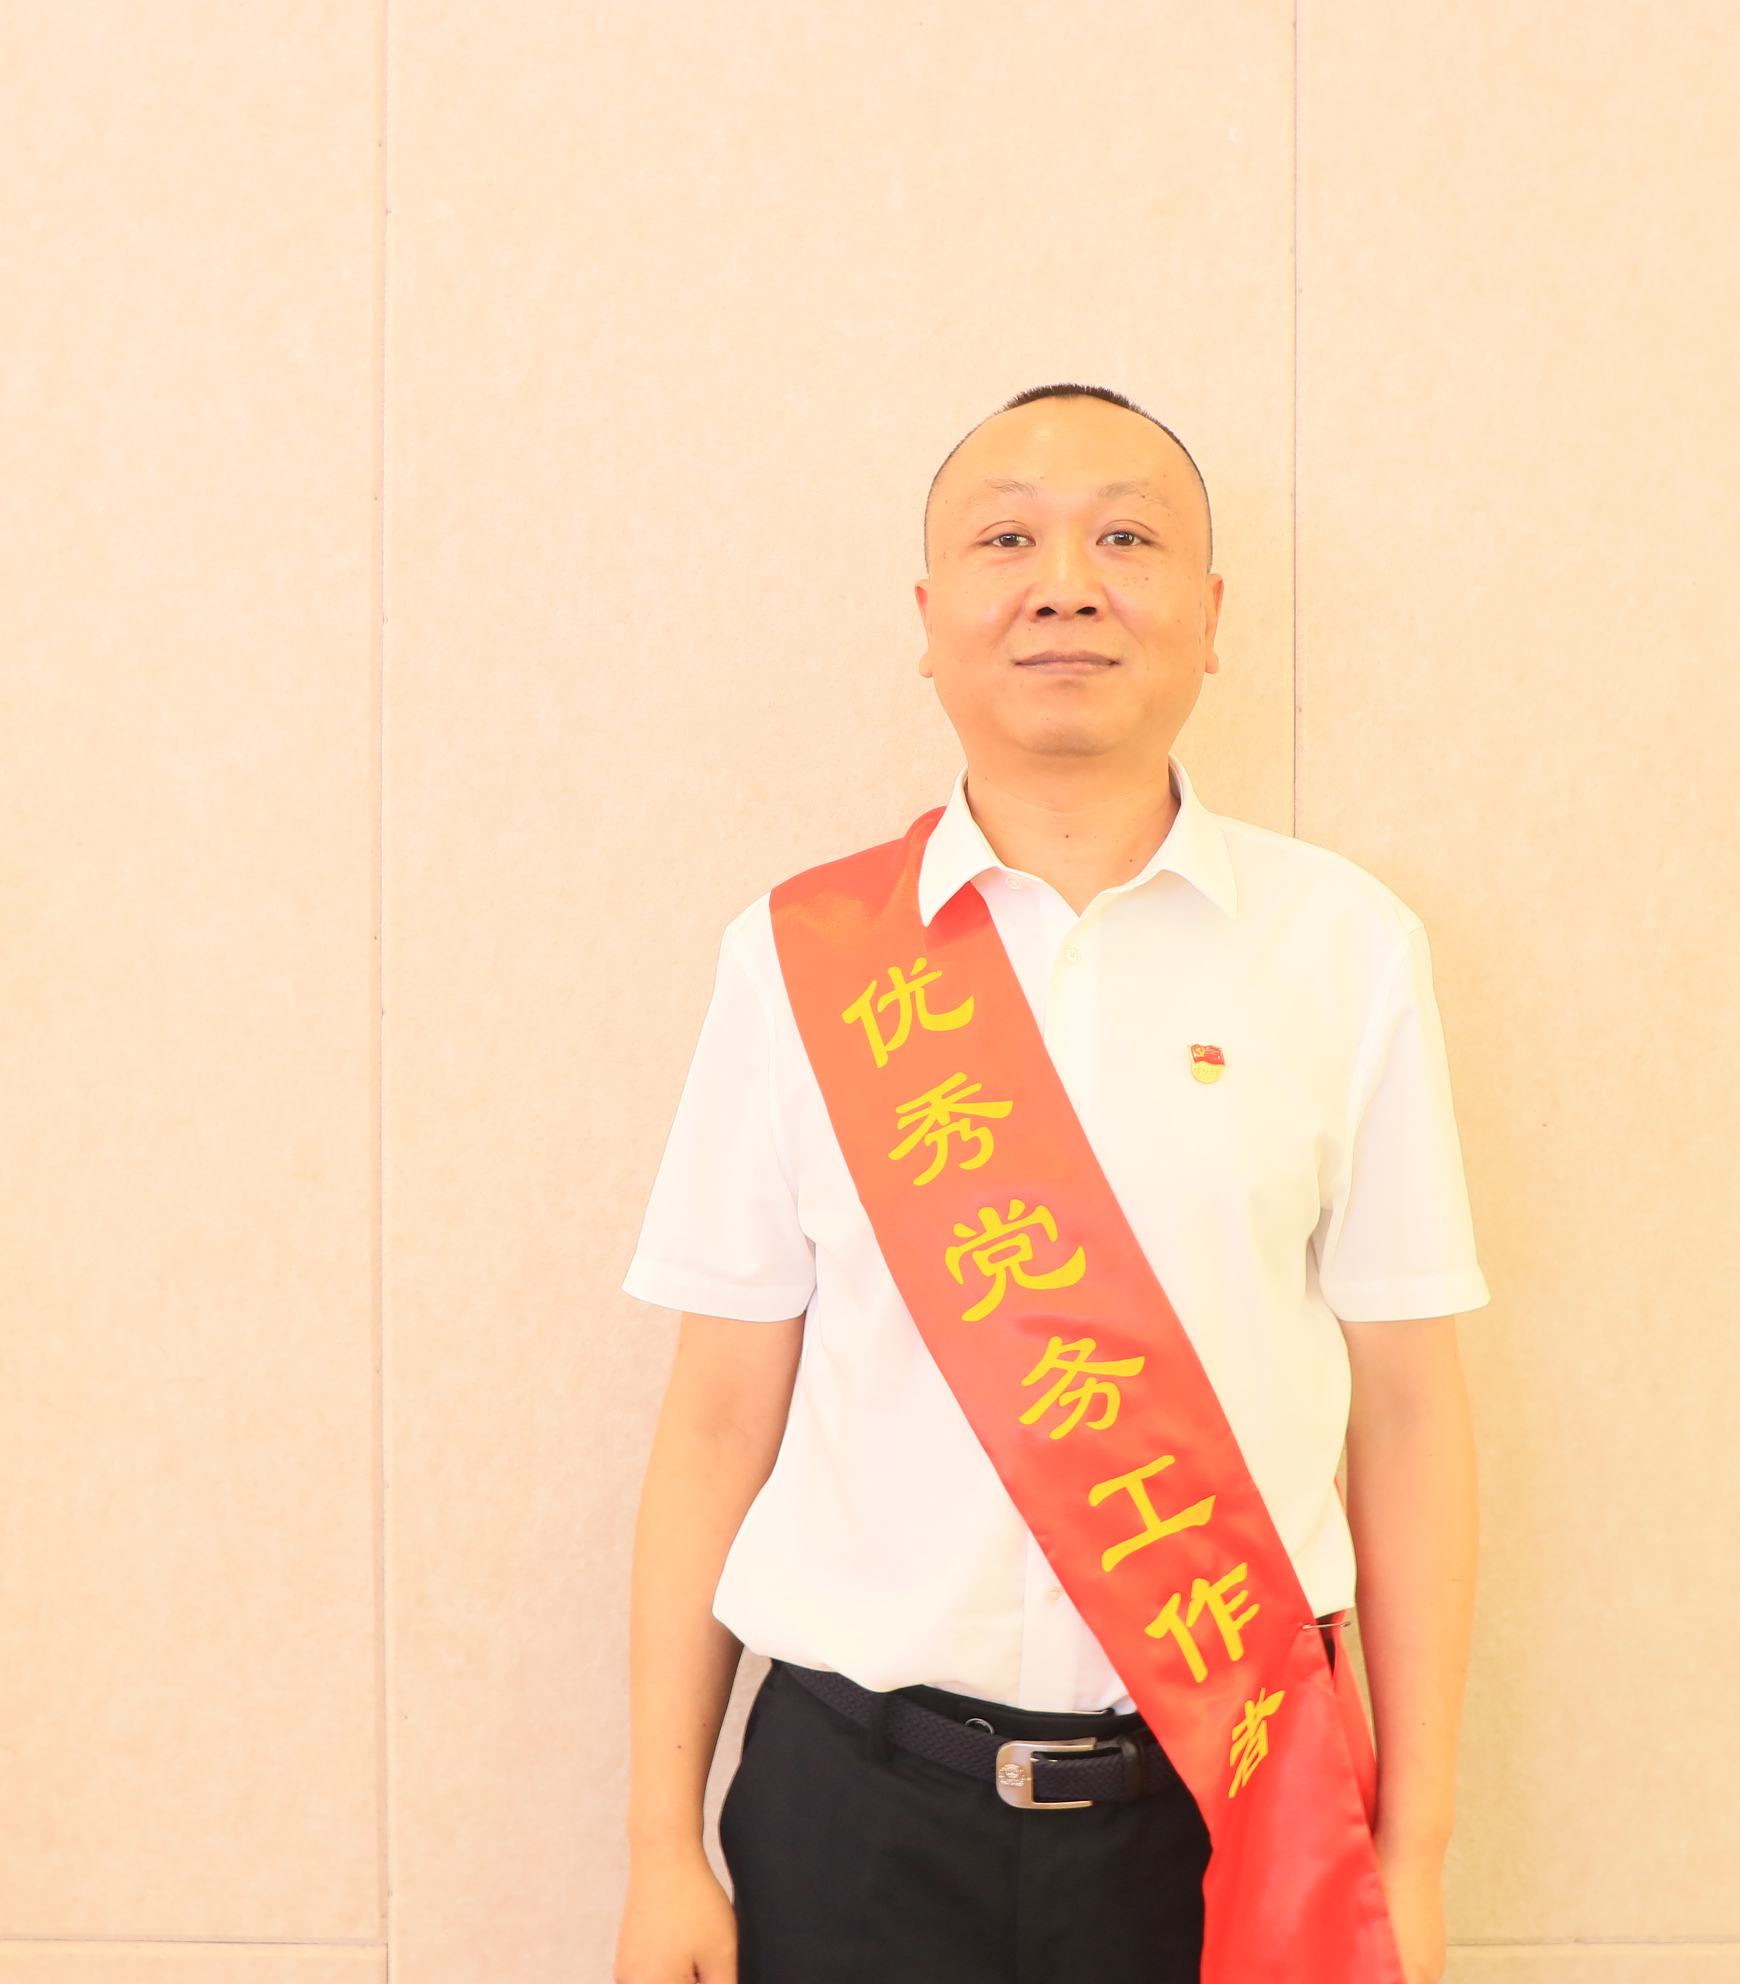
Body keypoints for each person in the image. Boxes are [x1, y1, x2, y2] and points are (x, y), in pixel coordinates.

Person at [613, 384, 1486, 1984]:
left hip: (1229, 1810)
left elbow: (1412, 1416)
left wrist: (1411, 1852)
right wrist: (660, 1847)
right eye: (1008, 539)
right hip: (855, 1816)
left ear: (1210, 619)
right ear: (928, 617)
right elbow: (721, 1417)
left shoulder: (1344, 950)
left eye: (1127, 539)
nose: (1067, 584)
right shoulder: (800, 961)